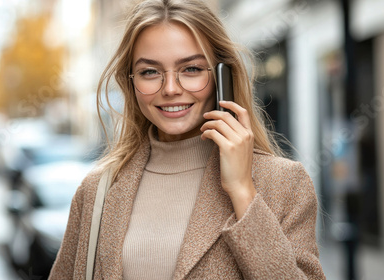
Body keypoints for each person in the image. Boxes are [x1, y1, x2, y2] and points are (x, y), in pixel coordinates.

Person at [50, 0, 326, 279]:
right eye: (149, 72)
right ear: (131, 82)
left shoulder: (284, 184)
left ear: (222, 76)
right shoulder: (97, 191)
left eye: (191, 69)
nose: (170, 89)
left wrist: (243, 192)